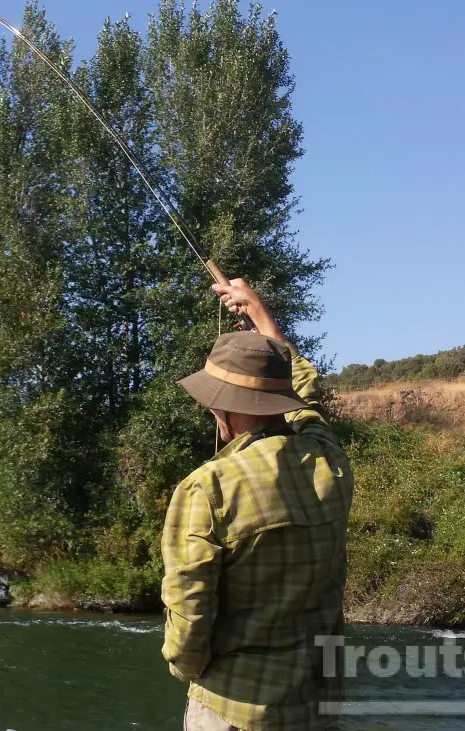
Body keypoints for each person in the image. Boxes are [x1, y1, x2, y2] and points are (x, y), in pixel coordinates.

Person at [161, 277, 354, 731]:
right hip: (315, 704)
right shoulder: (331, 459)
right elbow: (304, 393)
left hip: (234, 708)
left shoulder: (206, 488)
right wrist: (260, 314)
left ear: (225, 407)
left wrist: (187, 670)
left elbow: (189, 616)